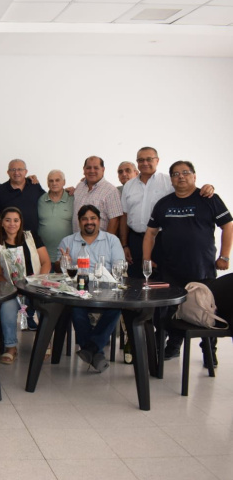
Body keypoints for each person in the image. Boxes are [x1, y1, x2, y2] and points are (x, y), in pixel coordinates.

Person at [143, 160, 231, 360]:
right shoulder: (164, 203)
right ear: (171, 179)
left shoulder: (209, 198)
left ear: (194, 176)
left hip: (202, 267)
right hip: (171, 268)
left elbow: (227, 226)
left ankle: (209, 352)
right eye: (175, 174)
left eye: (185, 172)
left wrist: (224, 256)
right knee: (171, 311)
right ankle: (173, 346)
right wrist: (147, 259)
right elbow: (150, 233)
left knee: (206, 308)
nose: (180, 176)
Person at [120, 147, 215, 279]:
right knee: (135, 279)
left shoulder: (168, 182)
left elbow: (189, 190)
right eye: (141, 160)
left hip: (161, 239)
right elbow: (124, 216)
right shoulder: (128, 186)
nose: (145, 163)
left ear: (157, 160)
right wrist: (125, 244)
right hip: (135, 240)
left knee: (162, 280)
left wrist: (209, 187)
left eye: (149, 159)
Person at [58, 205, 125, 372]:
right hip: (78, 291)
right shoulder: (68, 241)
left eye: (93, 218)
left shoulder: (112, 240)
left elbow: (119, 268)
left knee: (116, 308)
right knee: (76, 308)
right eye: (85, 219)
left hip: (106, 291)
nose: (89, 222)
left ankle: (90, 348)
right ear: (79, 222)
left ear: (99, 221)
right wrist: (64, 262)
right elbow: (60, 271)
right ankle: (95, 351)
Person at [0, 207, 51, 364]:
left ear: (21, 222)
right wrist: (12, 286)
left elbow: (45, 262)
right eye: (7, 220)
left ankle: (44, 343)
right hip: (11, 290)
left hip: (35, 286)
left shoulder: (32, 237)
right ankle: (11, 347)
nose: (12, 224)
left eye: (16, 220)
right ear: (1, 223)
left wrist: (38, 282)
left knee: (44, 303)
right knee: (6, 307)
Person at [72, 156, 123, 235]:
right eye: (88, 168)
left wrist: (107, 241)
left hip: (99, 241)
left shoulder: (111, 191)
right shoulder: (79, 186)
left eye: (96, 168)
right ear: (84, 169)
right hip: (77, 239)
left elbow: (115, 221)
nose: (92, 171)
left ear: (103, 170)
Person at [0, 159, 46, 234]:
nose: (16, 173)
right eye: (13, 170)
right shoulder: (1, 190)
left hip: (33, 235)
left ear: (25, 171)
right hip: (10, 236)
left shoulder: (34, 185)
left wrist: (63, 191)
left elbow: (49, 198)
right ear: (8, 172)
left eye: (20, 169)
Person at [38, 170, 74, 264]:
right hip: (44, 256)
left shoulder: (73, 199)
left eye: (57, 180)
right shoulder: (40, 200)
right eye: (51, 181)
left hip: (67, 255)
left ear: (64, 182)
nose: (54, 183)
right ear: (47, 183)